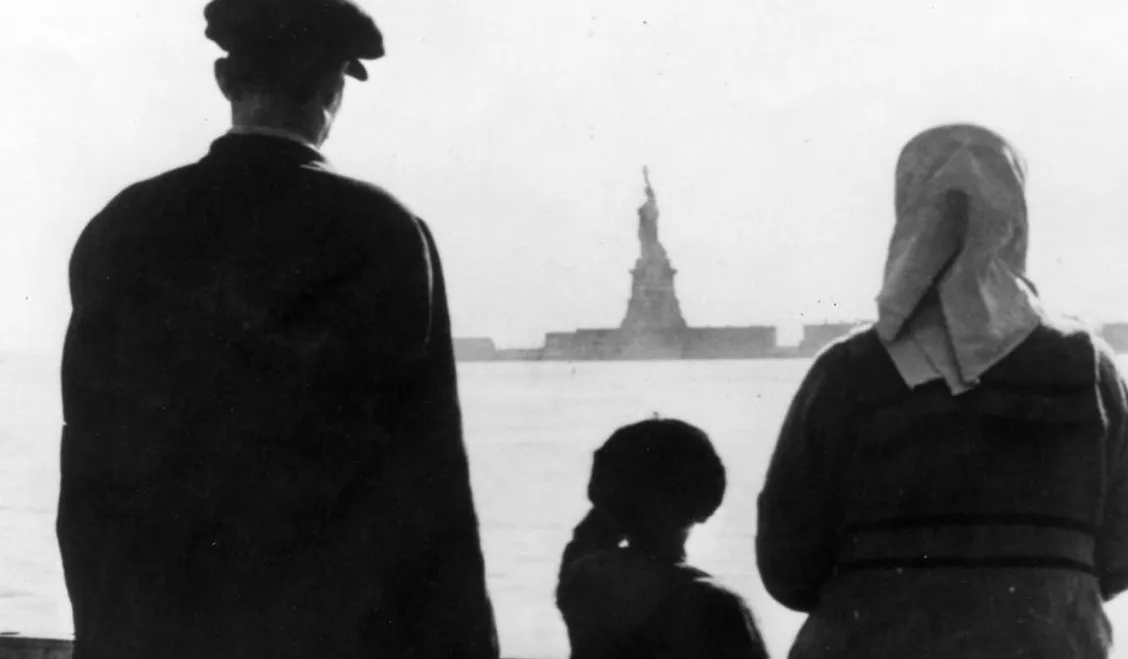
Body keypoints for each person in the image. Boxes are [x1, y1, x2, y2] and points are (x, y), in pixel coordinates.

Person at [56, 1, 498, 657]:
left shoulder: (121, 227)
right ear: (332, 89)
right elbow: (429, 481)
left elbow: (87, 465)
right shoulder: (382, 233)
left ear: (225, 80)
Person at [755, 124, 1128, 658]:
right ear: (1016, 217)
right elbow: (1123, 557)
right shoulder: (1088, 369)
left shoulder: (847, 373)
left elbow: (787, 568)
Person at [557, 418, 768, 659]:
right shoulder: (716, 605)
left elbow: (586, 538)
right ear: (705, 501)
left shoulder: (582, 581)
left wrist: (614, 503)